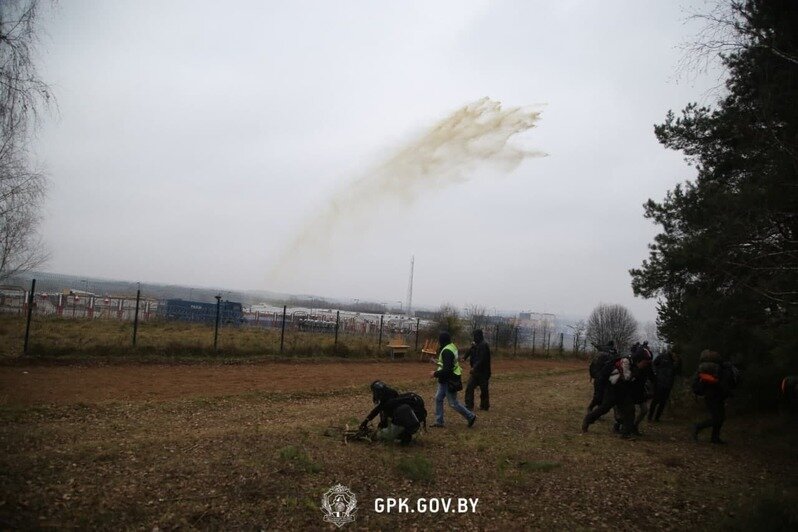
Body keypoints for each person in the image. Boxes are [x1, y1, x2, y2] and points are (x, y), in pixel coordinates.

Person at [582, 350, 635, 439]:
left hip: (622, 391)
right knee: (604, 408)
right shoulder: (626, 362)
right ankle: (588, 419)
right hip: (613, 389)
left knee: (630, 410)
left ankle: (626, 433)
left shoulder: (634, 362)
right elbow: (626, 377)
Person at [430, 332, 476, 428]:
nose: (439, 342)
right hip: (446, 379)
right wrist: (437, 362)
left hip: (449, 380)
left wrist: (435, 374)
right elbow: (448, 364)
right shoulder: (452, 346)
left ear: (442, 341)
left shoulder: (447, 351)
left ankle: (470, 416)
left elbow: (447, 369)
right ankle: (439, 422)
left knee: (453, 403)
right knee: (438, 398)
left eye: (439, 340)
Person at [692, 350, 738, 444]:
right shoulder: (721, 369)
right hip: (715, 396)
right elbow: (721, 384)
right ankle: (698, 427)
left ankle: (715, 438)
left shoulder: (713, 369)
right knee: (718, 418)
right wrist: (729, 393)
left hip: (712, 395)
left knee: (720, 417)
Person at [359, 381, 422, 445]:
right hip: (414, 425)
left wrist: (367, 423)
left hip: (402, 425)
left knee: (379, 435)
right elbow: (377, 411)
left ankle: (401, 437)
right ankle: (404, 434)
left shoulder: (387, 403)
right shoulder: (395, 396)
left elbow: (379, 414)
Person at [463, 329, 491, 411]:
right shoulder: (476, 344)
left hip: (483, 372)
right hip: (476, 372)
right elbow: (470, 350)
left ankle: (484, 405)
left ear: (479, 336)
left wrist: (474, 367)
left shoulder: (484, 345)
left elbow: (481, 359)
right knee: (469, 387)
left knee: (484, 389)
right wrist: (464, 357)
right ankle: (469, 405)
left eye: (475, 336)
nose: (474, 338)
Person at [648, 350, 679, 421]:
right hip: (659, 382)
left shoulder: (676, 361)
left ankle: (657, 418)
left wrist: (676, 363)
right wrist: (656, 373)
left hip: (668, 384)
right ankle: (650, 416)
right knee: (655, 400)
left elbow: (677, 372)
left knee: (663, 402)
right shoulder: (662, 357)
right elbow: (654, 364)